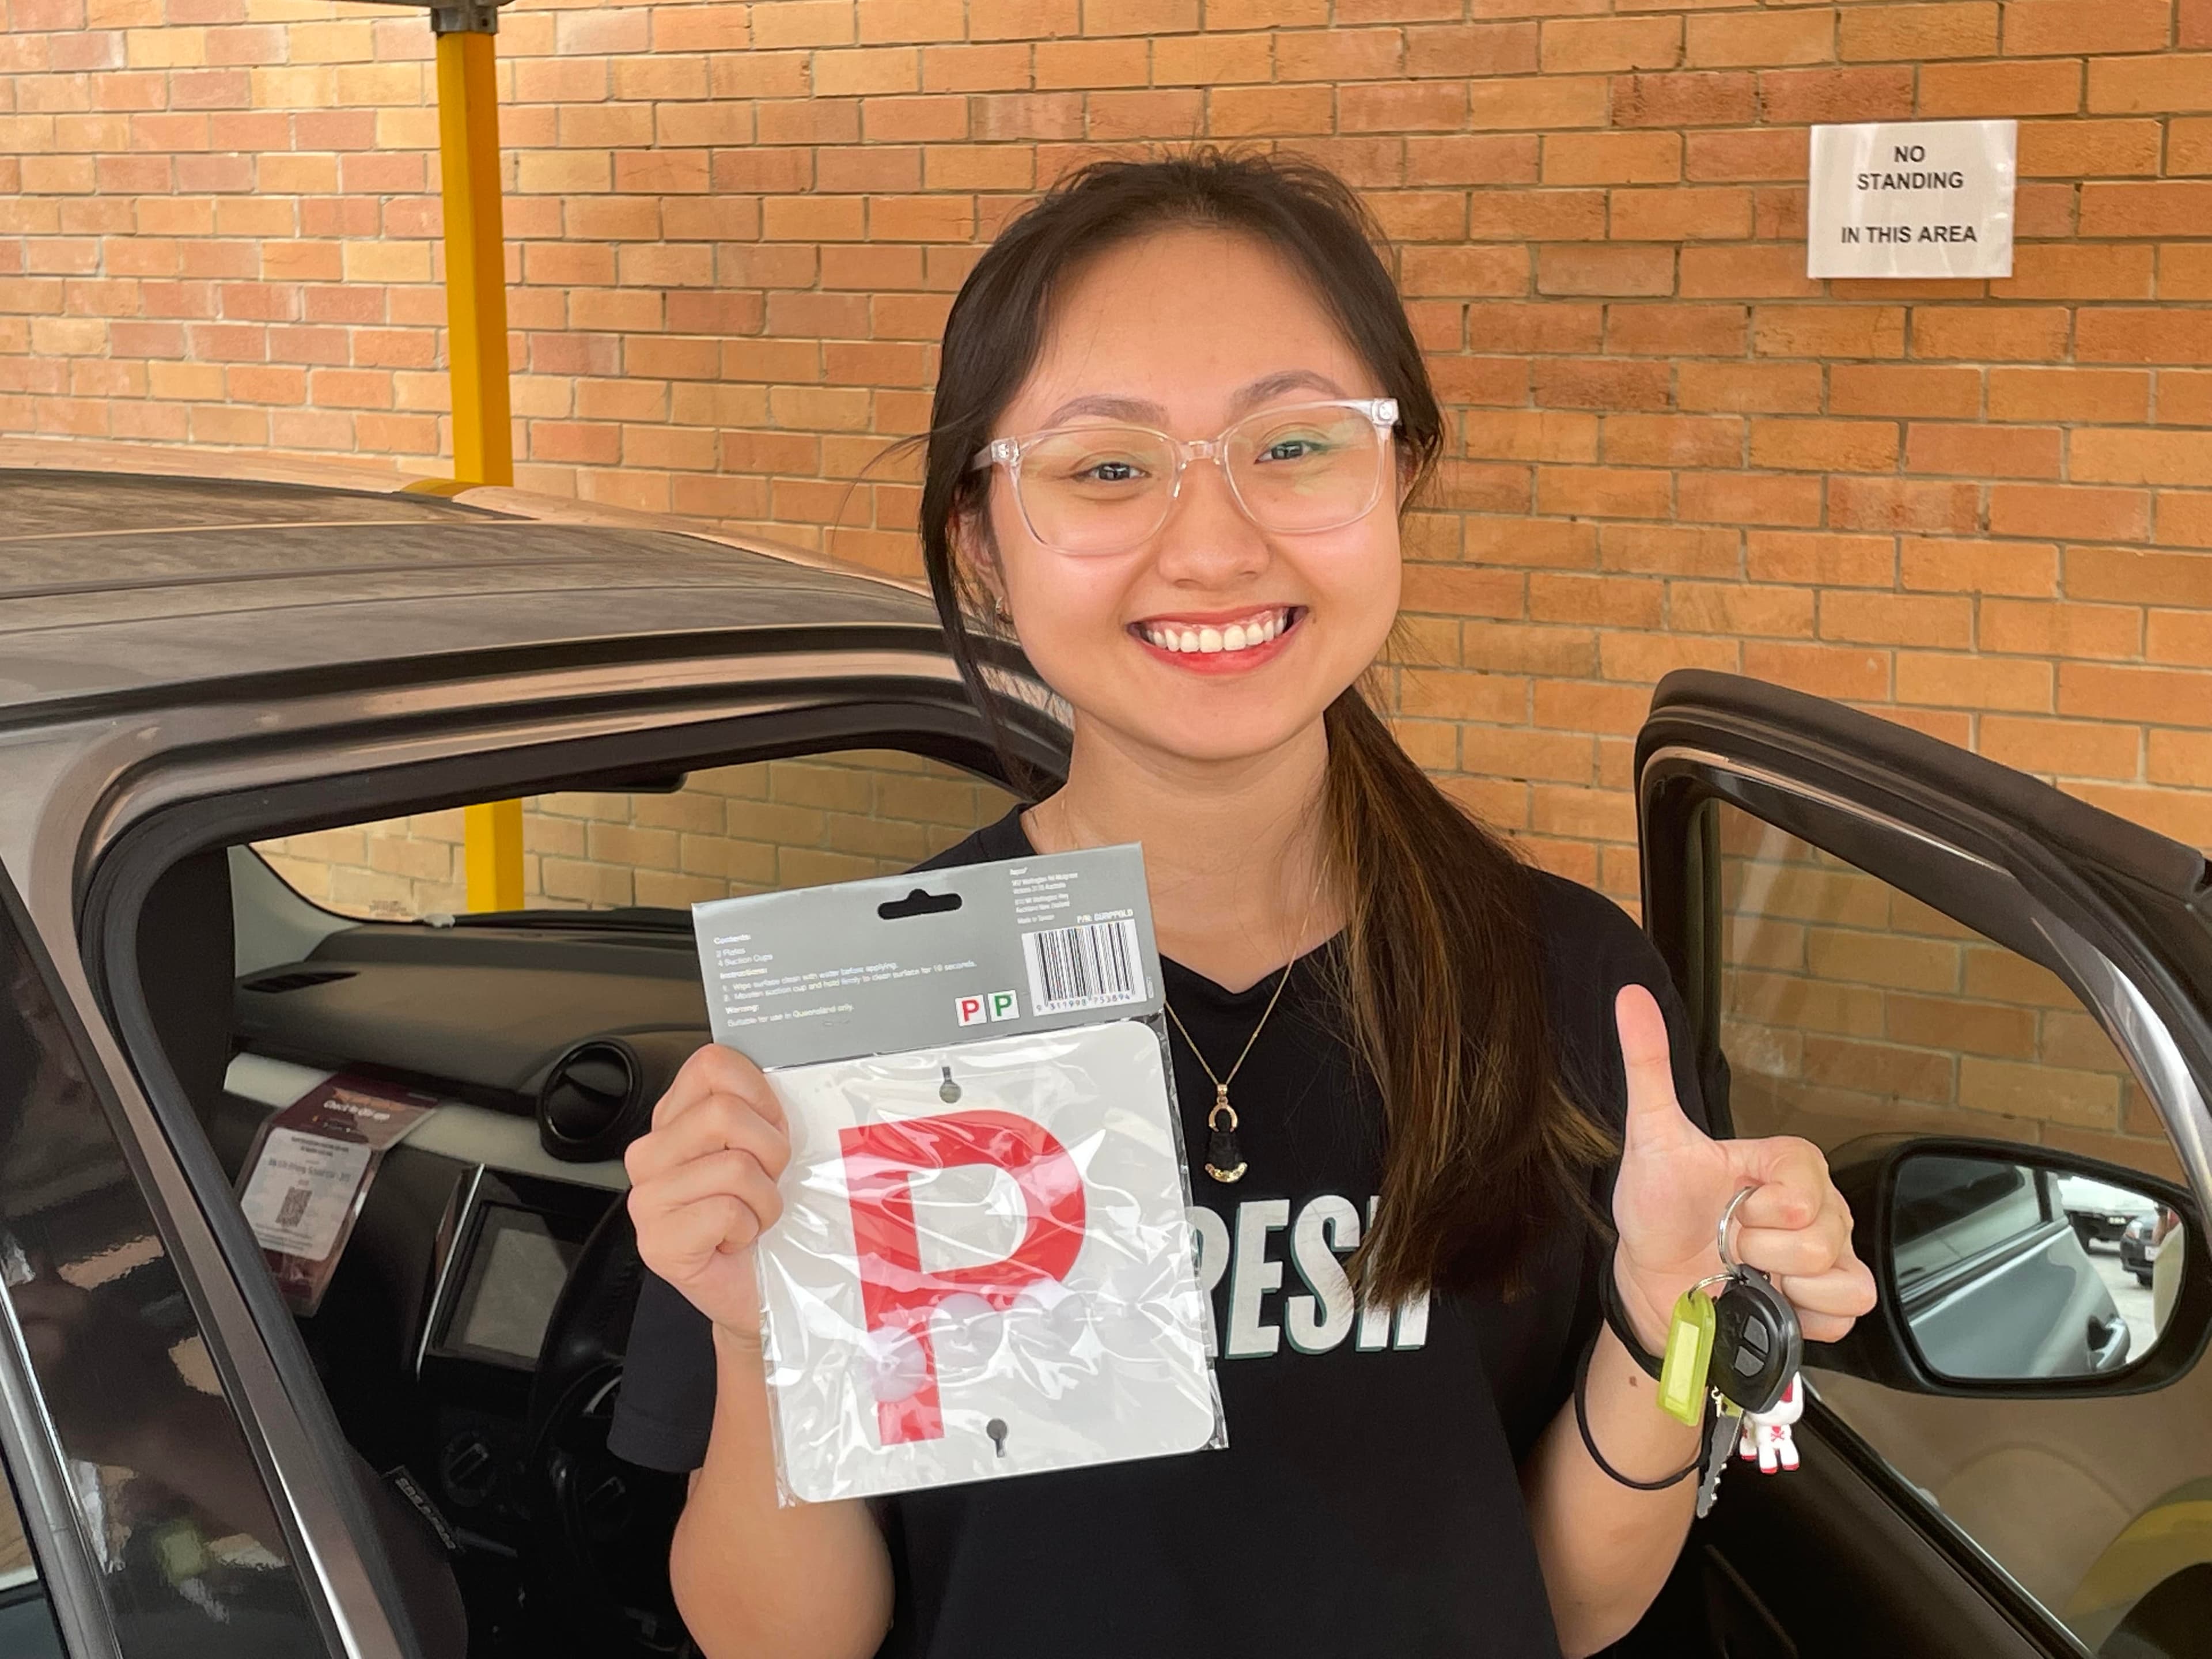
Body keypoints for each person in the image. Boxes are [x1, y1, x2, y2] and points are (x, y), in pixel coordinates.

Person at [609, 150, 1876, 1659]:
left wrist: (1667, 1314)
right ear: (980, 543)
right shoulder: (869, 1022)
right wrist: (761, 1340)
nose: (1213, 546)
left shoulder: (1569, 988)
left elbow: (1575, 1608)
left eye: (1293, 447)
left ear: (1395, 475)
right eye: (1106, 468)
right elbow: (786, 1645)